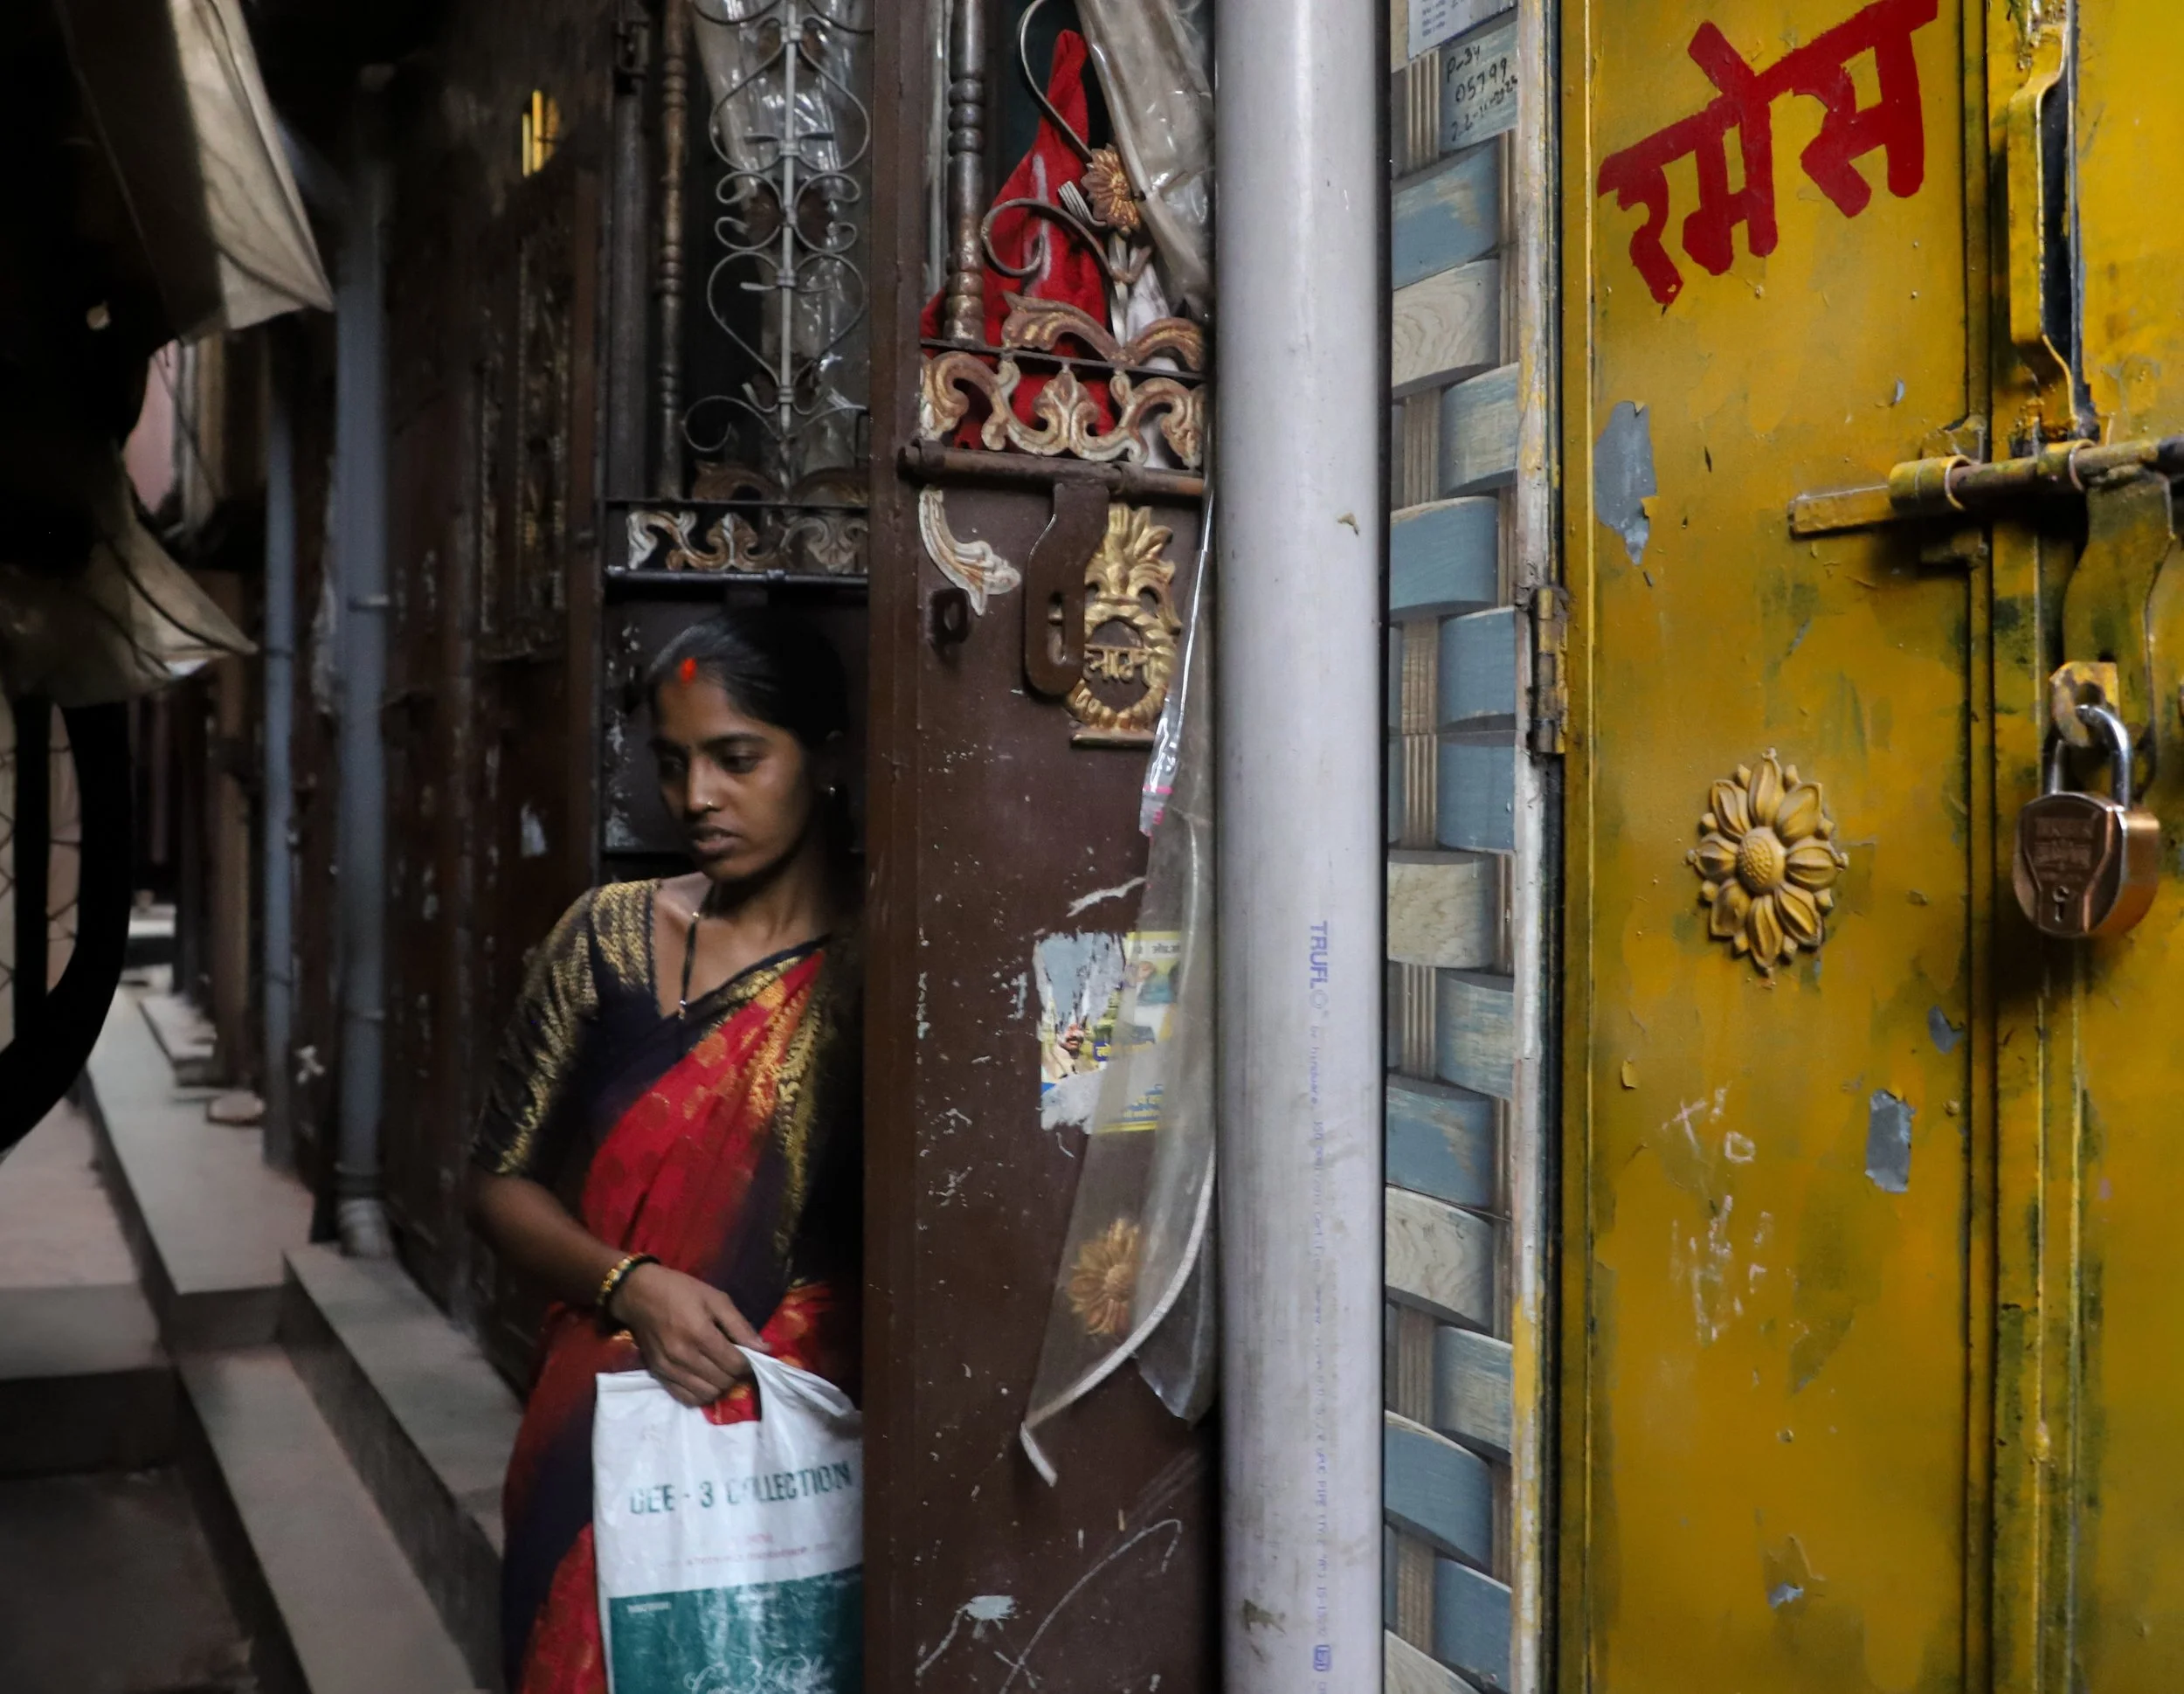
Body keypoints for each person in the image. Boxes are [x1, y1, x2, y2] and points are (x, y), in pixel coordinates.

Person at [467, 605, 860, 1694]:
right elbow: (496, 1183)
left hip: (799, 1448)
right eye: (674, 763)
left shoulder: (892, 960)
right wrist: (629, 1285)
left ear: (827, 758)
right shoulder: (609, 937)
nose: (696, 798)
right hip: (601, 1435)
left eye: (738, 759)